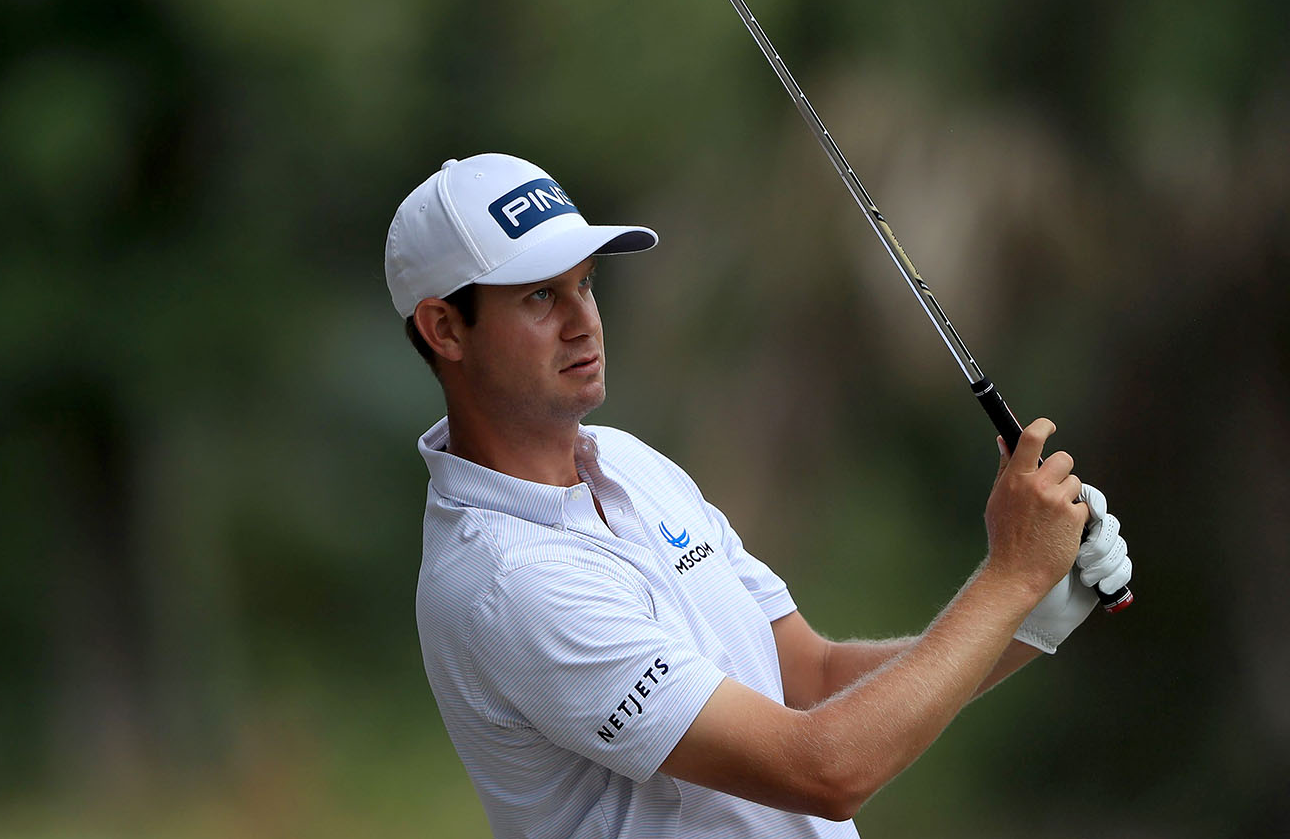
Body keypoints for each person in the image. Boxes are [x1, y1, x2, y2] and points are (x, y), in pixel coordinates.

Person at [388, 153, 1132, 838]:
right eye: (542, 295)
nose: (584, 320)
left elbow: (808, 678)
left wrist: (1032, 616)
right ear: (445, 328)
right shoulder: (508, 580)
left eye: (585, 283)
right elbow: (824, 769)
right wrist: (1009, 578)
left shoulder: (626, 461)